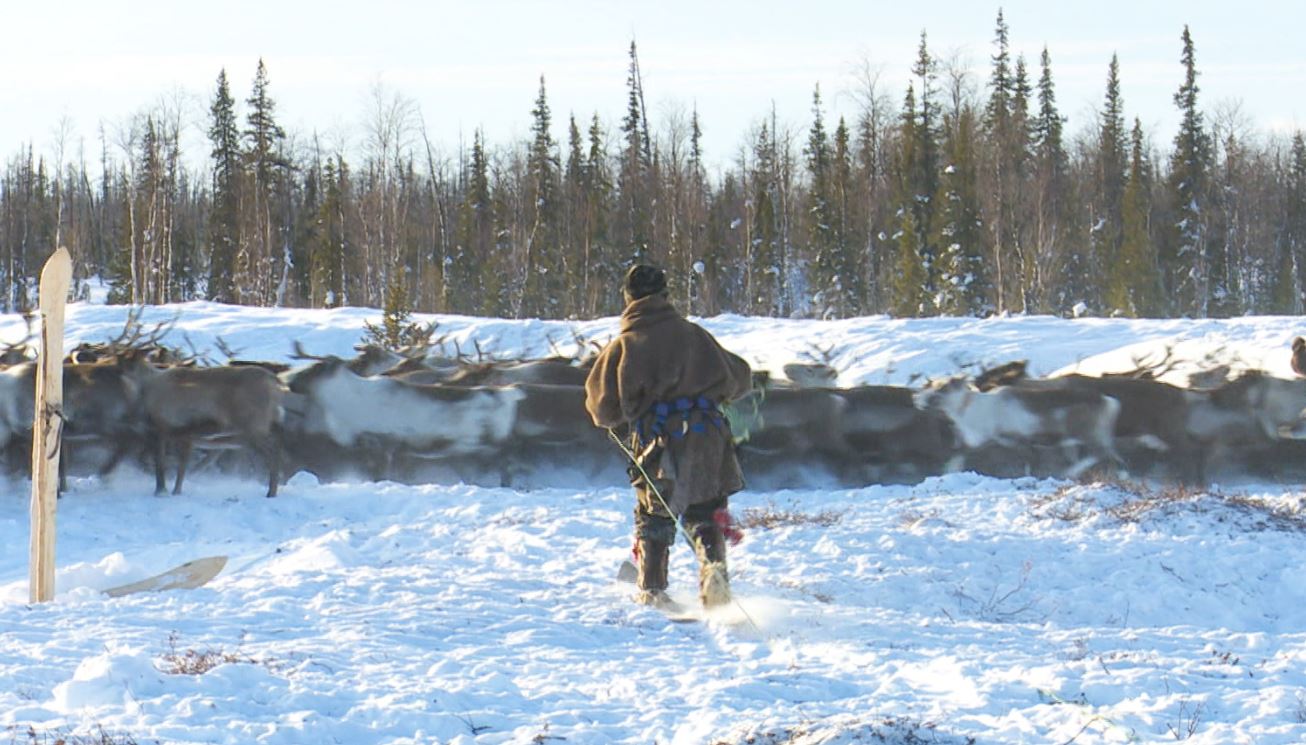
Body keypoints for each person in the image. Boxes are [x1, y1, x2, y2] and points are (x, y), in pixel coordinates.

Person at [584, 264, 753, 609]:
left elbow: (602, 409)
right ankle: (714, 575)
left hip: (656, 443)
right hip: (707, 437)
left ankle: (652, 588)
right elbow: (739, 379)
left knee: (655, 513)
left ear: (628, 298)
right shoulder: (695, 335)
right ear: (665, 295)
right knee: (705, 510)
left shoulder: (625, 345)